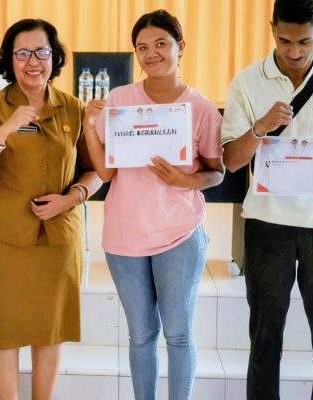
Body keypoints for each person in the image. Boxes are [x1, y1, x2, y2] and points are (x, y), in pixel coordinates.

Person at [220, 0, 313, 398]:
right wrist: (260, 127)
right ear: (272, 28)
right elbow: (232, 161)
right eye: (284, 40)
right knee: (265, 337)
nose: (294, 51)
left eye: (304, 41)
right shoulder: (248, 81)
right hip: (267, 225)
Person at [82, 10, 225, 400]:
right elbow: (106, 172)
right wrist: (89, 126)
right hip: (125, 236)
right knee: (141, 335)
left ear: (181, 47)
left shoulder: (201, 108)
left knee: (178, 335)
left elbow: (217, 173)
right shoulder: (119, 100)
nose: (151, 54)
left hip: (179, 234)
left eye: (161, 44)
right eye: (142, 47)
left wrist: (185, 180)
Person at [0, 19, 101, 400]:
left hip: (58, 240)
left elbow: (95, 172)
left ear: (55, 58)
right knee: (1, 329)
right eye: (22, 53)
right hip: (1, 241)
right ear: (10, 59)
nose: (32, 61)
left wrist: (71, 198)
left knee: (50, 329)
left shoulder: (73, 108)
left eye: (41, 52)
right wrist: (6, 128)